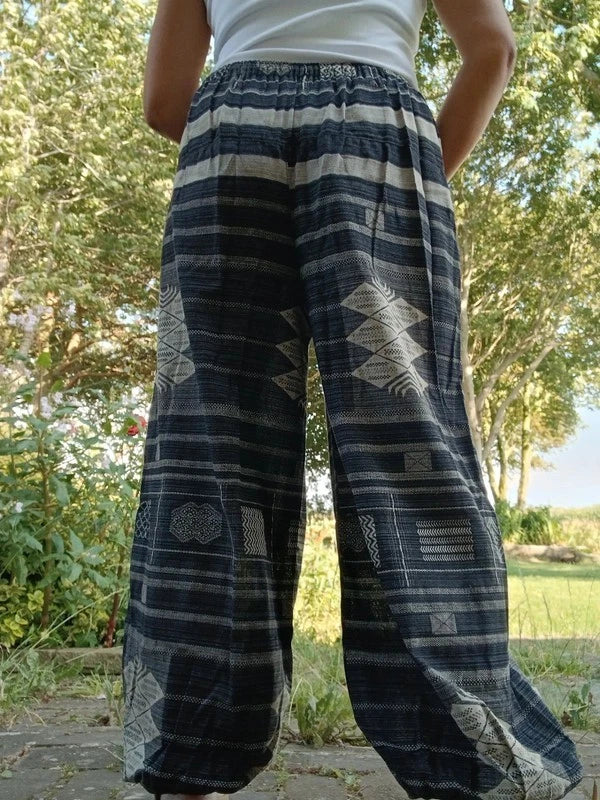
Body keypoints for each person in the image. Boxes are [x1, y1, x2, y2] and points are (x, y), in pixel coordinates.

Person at [121, 2, 585, 799]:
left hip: (228, 135)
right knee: (410, 448)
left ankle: (185, 755)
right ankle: (476, 759)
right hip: (377, 129)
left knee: (209, 451)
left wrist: (252, 115)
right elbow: (492, 50)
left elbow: (166, 102)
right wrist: (416, 169)